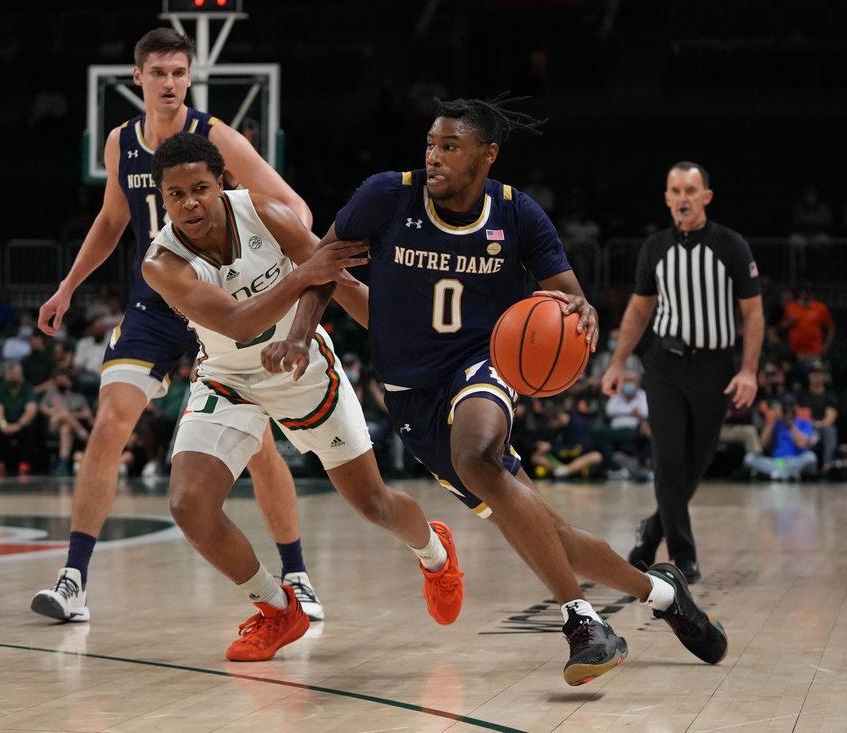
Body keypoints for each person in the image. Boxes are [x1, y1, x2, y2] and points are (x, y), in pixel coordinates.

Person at [270, 96, 728, 685]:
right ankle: (663, 594)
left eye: (450, 148)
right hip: (411, 393)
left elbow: (566, 294)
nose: (434, 157)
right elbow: (323, 266)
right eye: (431, 145)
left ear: (486, 156)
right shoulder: (386, 195)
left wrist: (581, 310)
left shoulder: (517, 214)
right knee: (547, 529)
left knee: (477, 455)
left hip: (482, 363)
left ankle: (582, 622)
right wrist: (303, 336)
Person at [31, 29, 323, 624]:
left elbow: (297, 210)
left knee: (262, 449)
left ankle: (295, 574)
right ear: (137, 78)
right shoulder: (120, 143)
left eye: (178, 73)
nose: (169, 83)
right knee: (110, 422)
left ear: (190, 78)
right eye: (158, 73)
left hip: (222, 306)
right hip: (156, 305)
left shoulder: (218, 140)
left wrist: (272, 276)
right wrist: (68, 285)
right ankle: (72, 580)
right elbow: (114, 219)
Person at [140, 133, 464, 661]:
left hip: (302, 367)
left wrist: (414, 349)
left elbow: (338, 282)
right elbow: (235, 323)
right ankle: (277, 607)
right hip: (227, 374)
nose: (189, 203)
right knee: (188, 504)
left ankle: (434, 551)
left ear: (222, 184)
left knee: (373, 504)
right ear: (162, 198)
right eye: (175, 195)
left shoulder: (266, 213)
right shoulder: (162, 262)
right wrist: (305, 274)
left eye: (199, 188)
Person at [603, 161, 764, 585]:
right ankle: (682, 555)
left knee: (696, 463)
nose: (683, 198)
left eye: (691, 190)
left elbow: (753, 311)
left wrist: (749, 370)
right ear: (667, 198)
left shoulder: (731, 245)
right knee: (669, 458)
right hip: (665, 364)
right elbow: (639, 310)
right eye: (675, 190)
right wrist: (618, 362)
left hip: (715, 366)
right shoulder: (655, 248)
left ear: (706, 197)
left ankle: (650, 532)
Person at [744, 394, 818, 480]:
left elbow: (801, 444)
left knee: (811, 457)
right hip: (778, 462)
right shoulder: (776, 423)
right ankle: (787, 474)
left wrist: (790, 424)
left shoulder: (804, 423)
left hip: (796, 460)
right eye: (785, 408)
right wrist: (773, 420)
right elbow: (762, 444)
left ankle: (777, 474)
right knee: (749, 458)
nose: (788, 411)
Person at [531, 404, 604, 480]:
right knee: (536, 457)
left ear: (558, 418)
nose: (550, 426)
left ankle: (565, 471)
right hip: (559, 461)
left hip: (577, 459)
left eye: (551, 422)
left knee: (596, 456)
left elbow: (578, 450)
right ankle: (562, 470)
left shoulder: (578, 424)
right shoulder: (554, 430)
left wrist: (551, 448)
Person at [0, 361, 38, 476]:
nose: (12, 376)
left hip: (21, 423)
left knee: (30, 428)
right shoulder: (1, 389)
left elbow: (31, 409)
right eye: (9, 373)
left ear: (20, 374)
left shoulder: (27, 388)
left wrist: (19, 425)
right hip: (6, 422)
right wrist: (3, 425)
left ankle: (24, 462)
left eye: (15, 373)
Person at [40, 372, 93, 475]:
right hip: (53, 425)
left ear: (70, 382)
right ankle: (84, 435)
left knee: (66, 428)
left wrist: (70, 415)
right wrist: (55, 411)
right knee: (63, 413)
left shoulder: (78, 397)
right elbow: (42, 408)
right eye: (59, 380)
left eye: (64, 380)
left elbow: (87, 413)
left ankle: (63, 462)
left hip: (70, 429)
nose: (62, 382)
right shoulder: (51, 394)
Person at [796, 358, 838, 470]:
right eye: (813, 373)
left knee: (830, 430)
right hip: (804, 427)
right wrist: (809, 424)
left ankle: (827, 465)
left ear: (824, 377)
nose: (815, 376)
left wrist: (817, 424)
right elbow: (798, 413)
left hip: (821, 427)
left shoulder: (829, 397)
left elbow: (830, 418)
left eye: (818, 373)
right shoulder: (801, 396)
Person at [780, 284, 834, 361]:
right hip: (795, 352)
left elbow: (830, 327)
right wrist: (790, 323)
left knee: (816, 372)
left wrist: (826, 346)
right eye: (804, 291)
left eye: (808, 292)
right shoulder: (791, 307)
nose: (806, 294)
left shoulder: (821, 308)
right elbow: (782, 326)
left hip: (814, 352)